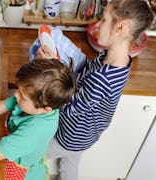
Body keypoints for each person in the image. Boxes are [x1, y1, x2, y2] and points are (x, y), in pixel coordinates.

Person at [29, 0, 154, 179]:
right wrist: (65, 62)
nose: (96, 25)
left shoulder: (103, 78)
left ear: (120, 27)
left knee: (29, 154)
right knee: (69, 167)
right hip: (86, 134)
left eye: (103, 20)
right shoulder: (116, 59)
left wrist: (54, 67)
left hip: (70, 136)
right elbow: (84, 76)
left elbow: (69, 106)